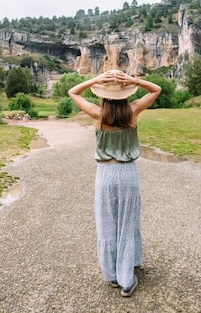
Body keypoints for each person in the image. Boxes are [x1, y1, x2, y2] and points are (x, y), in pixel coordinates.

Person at [68, 69, 161, 297]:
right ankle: (127, 279)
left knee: (107, 224)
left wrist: (97, 80)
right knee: (128, 224)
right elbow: (157, 89)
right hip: (128, 173)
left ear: (103, 95)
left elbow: (73, 92)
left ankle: (112, 275)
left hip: (105, 175)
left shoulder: (97, 114)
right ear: (126, 93)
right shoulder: (133, 110)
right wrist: (135, 80)